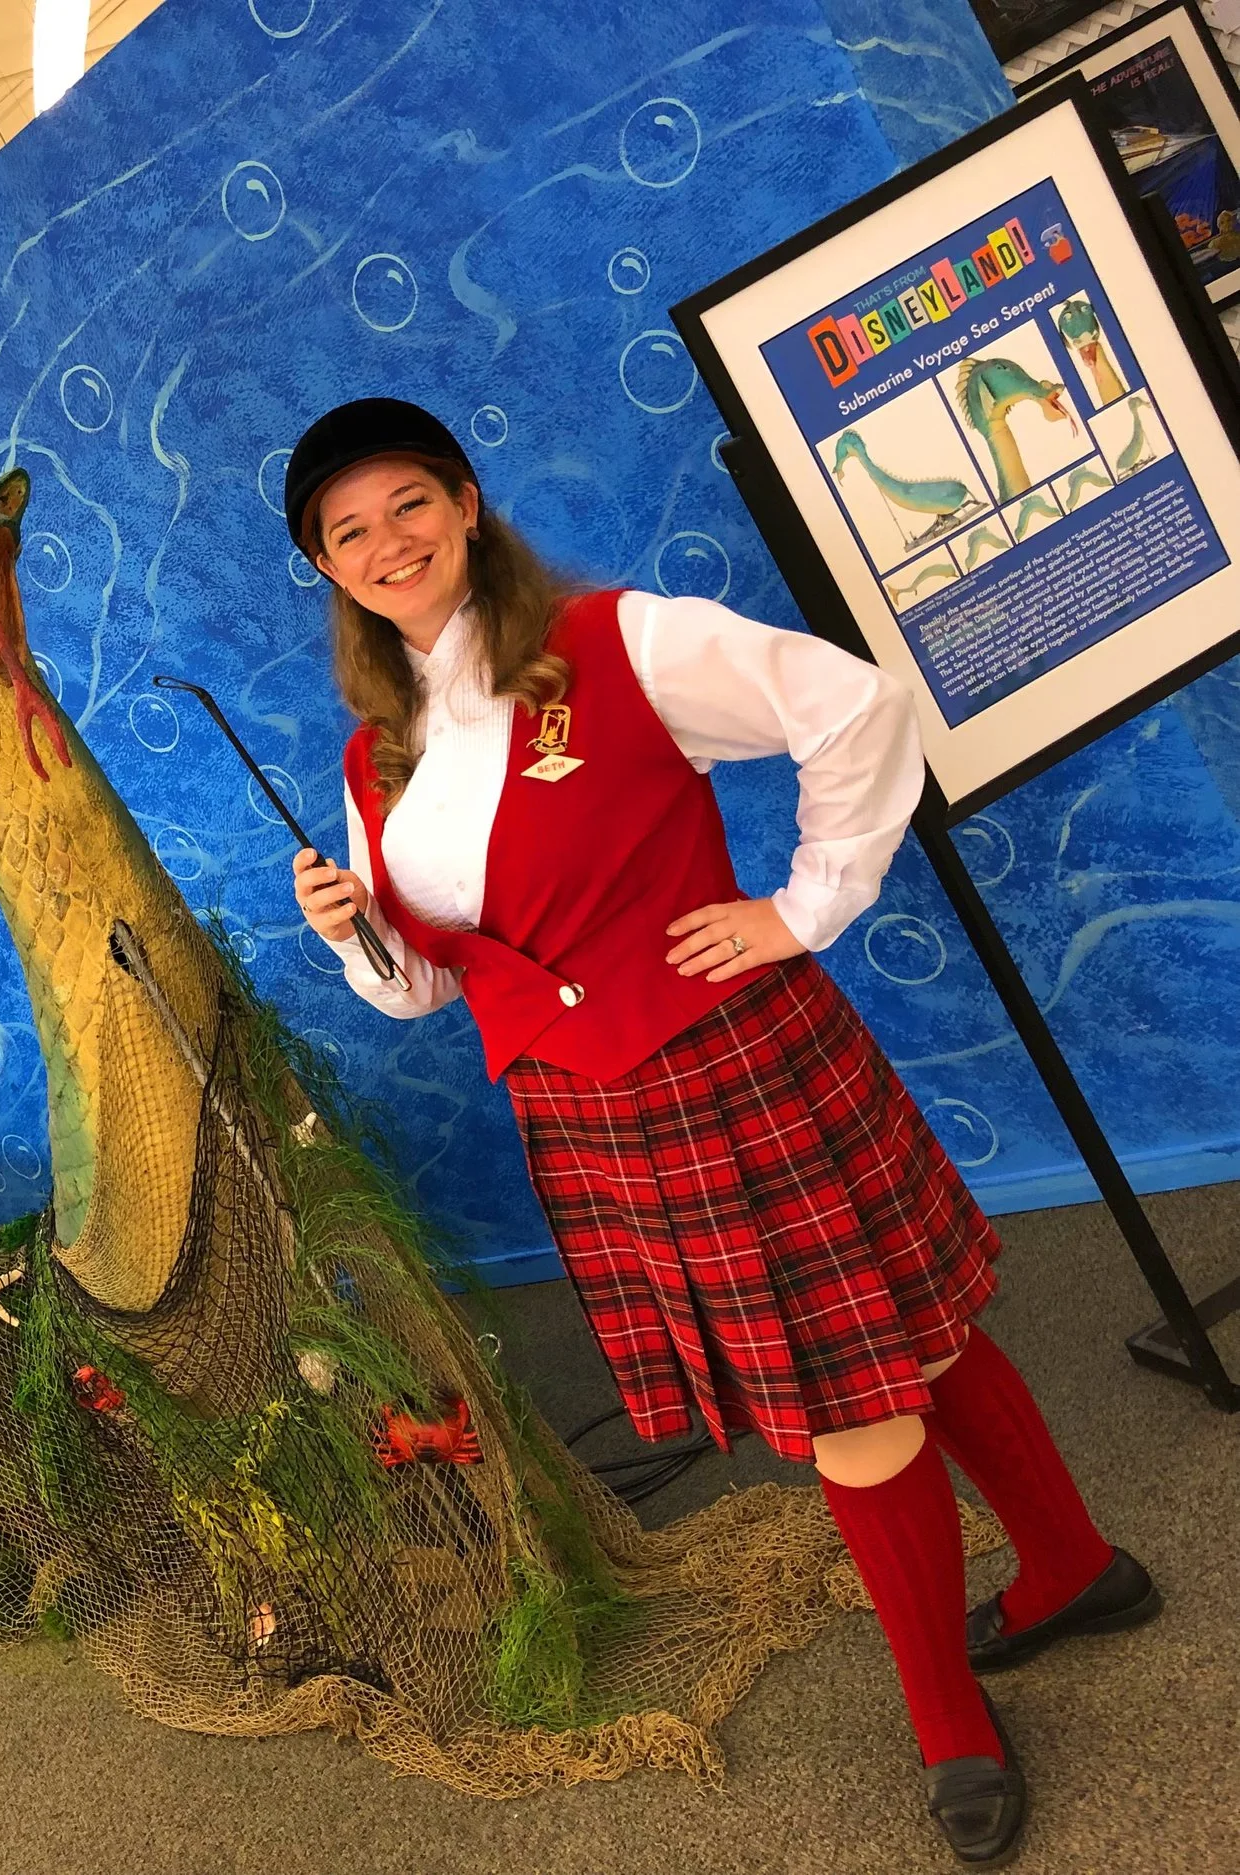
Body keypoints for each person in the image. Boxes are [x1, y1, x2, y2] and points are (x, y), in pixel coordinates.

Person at [283, 398, 1156, 1868]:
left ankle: (950, 1719)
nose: (387, 543)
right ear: (329, 566)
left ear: (469, 502)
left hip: (728, 1060)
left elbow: (855, 708)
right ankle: (1073, 1566)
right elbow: (433, 985)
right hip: (586, 1109)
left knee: (855, 1392)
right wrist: (356, 936)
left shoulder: (622, 641)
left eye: (407, 504)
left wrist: (799, 910)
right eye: (348, 531)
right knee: (907, 1344)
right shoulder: (380, 763)